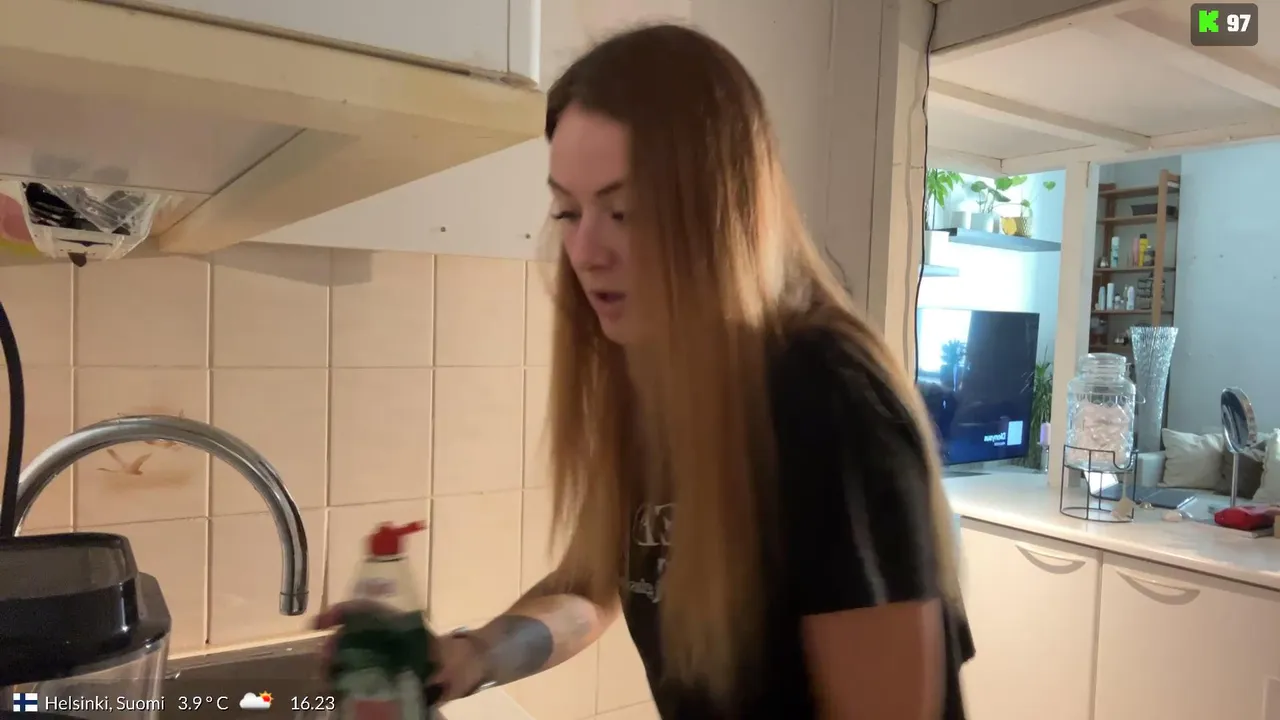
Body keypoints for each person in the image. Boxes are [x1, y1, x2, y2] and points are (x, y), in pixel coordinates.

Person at [318, 22, 975, 720]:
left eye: (623, 211)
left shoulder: (827, 396)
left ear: (722, 211)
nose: (585, 250)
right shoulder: (655, 382)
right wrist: (474, 655)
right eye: (568, 211)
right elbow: (594, 587)